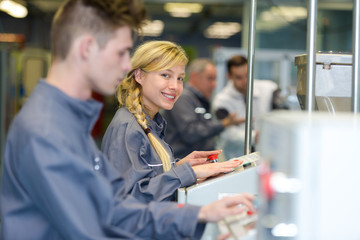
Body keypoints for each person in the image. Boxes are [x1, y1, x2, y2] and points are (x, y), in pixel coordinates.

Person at [0, 1, 256, 239]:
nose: (126, 66)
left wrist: (200, 214)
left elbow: (113, 206)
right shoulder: (48, 131)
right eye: (121, 52)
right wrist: (194, 214)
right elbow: (104, 225)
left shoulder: (65, 121)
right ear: (87, 48)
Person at [101, 41, 243, 203]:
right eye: (165, 75)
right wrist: (189, 173)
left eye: (180, 78)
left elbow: (149, 179)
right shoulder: (128, 128)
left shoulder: (152, 123)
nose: (175, 86)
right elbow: (131, 199)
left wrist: (179, 166)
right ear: (139, 76)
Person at [162, 58, 244, 159]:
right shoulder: (183, 97)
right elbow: (190, 133)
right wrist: (223, 123)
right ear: (194, 76)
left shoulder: (199, 99)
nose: (214, 84)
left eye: (215, 79)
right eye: (210, 78)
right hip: (184, 164)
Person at [212, 55, 278, 159]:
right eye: (238, 77)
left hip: (267, 155)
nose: (245, 81)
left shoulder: (269, 89)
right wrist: (255, 136)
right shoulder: (221, 101)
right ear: (229, 76)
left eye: (247, 75)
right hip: (237, 157)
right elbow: (227, 133)